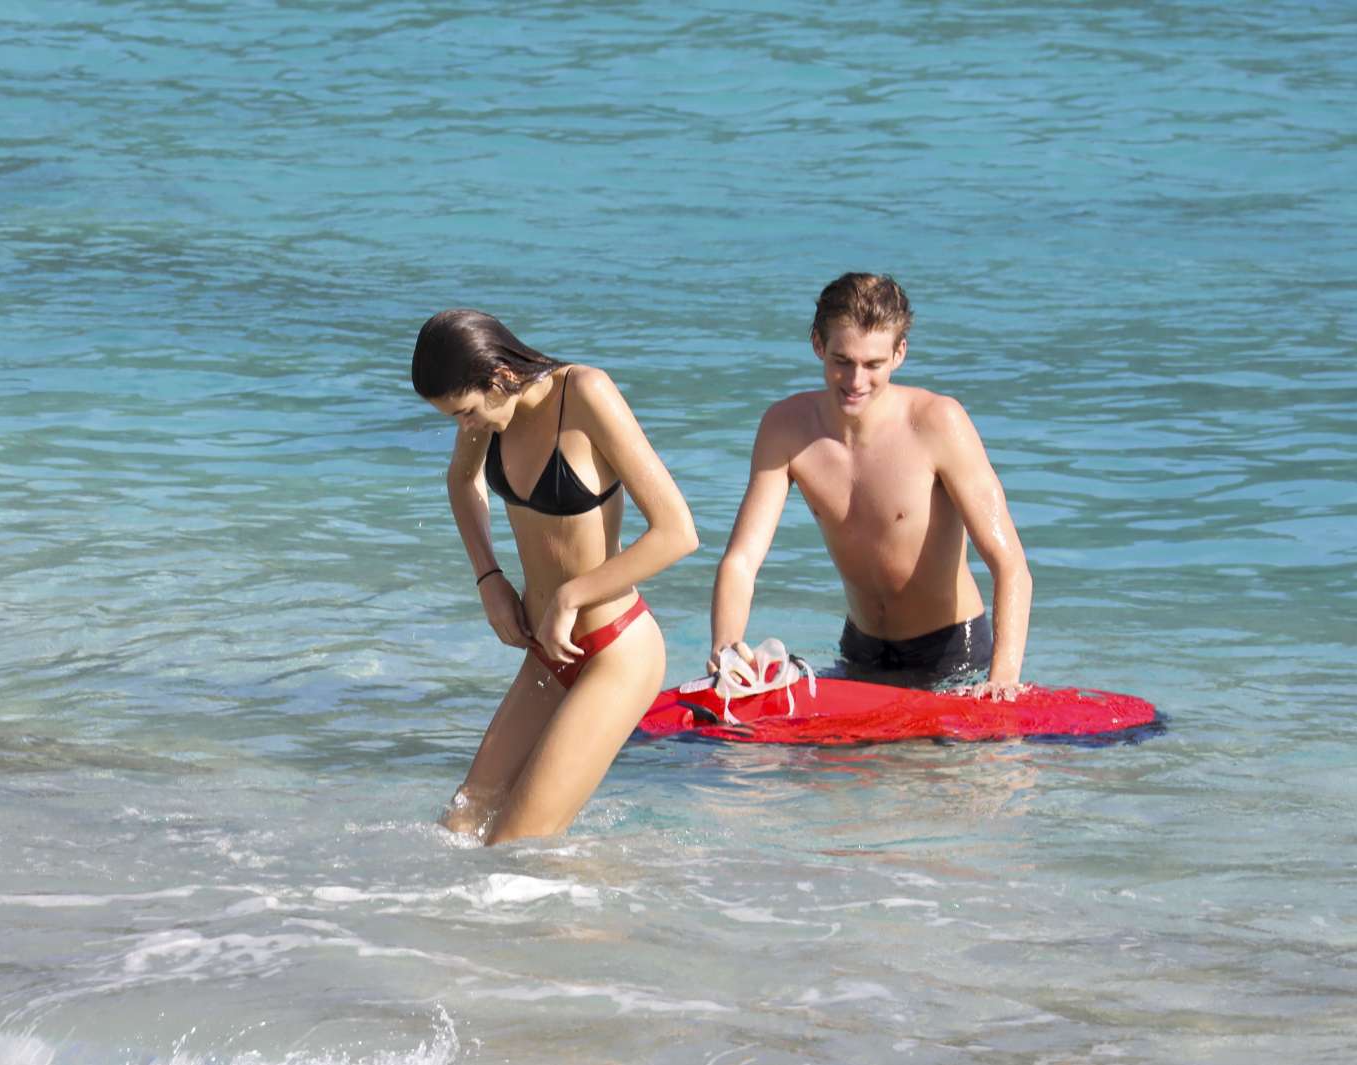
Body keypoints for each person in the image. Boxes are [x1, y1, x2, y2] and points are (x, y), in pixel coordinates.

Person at [413, 309, 697, 844]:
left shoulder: (585, 393)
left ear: (500, 376)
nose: (464, 427)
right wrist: (489, 577)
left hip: (616, 650)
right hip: (547, 655)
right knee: (456, 829)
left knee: (513, 847)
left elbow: (677, 532)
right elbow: (462, 481)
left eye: (466, 412)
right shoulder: (492, 415)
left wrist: (571, 596)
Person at [709, 273, 1032, 697]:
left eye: (873, 365)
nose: (856, 381)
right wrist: (726, 648)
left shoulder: (938, 423)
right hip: (860, 651)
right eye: (842, 361)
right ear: (818, 345)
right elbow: (741, 561)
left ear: (899, 353)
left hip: (953, 655)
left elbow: (1010, 565)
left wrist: (1002, 678)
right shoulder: (786, 428)